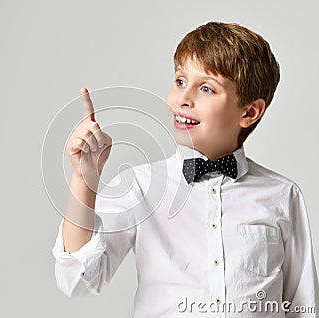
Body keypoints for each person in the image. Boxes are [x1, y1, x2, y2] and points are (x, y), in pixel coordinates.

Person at [52, 22, 319, 317]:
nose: (183, 98)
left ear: (249, 112)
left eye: (206, 88)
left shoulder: (282, 194)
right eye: (180, 81)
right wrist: (84, 179)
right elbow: (76, 280)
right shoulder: (140, 185)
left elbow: (303, 305)